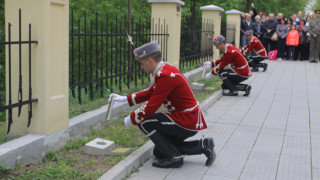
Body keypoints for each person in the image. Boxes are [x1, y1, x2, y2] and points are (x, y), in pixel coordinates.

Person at [109, 40, 216, 168]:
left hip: (186, 120)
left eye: (142, 63)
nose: (141, 67)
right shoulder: (165, 70)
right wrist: (124, 99)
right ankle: (204, 145)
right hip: (187, 118)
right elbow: (150, 92)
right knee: (159, 152)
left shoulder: (165, 75)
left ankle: (175, 158)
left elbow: (151, 106)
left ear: (149, 60)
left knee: (144, 121)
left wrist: (131, 118)